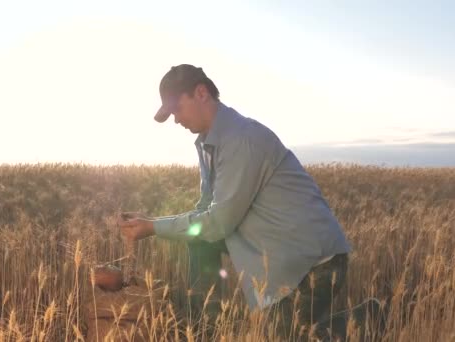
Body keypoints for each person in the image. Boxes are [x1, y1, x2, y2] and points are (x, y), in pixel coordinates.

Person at [118, 64, 381, 341]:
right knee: (198, 239)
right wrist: (152, 223)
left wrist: (153, 228)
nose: (176, 119)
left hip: (312, 263)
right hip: (280, 251)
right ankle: (207, 328)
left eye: (177, 109)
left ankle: (368, 319)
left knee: (283, 337)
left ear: (201, 93)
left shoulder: (240, 140)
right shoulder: (210, 144)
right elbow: (204, 213)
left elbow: (217, 223)